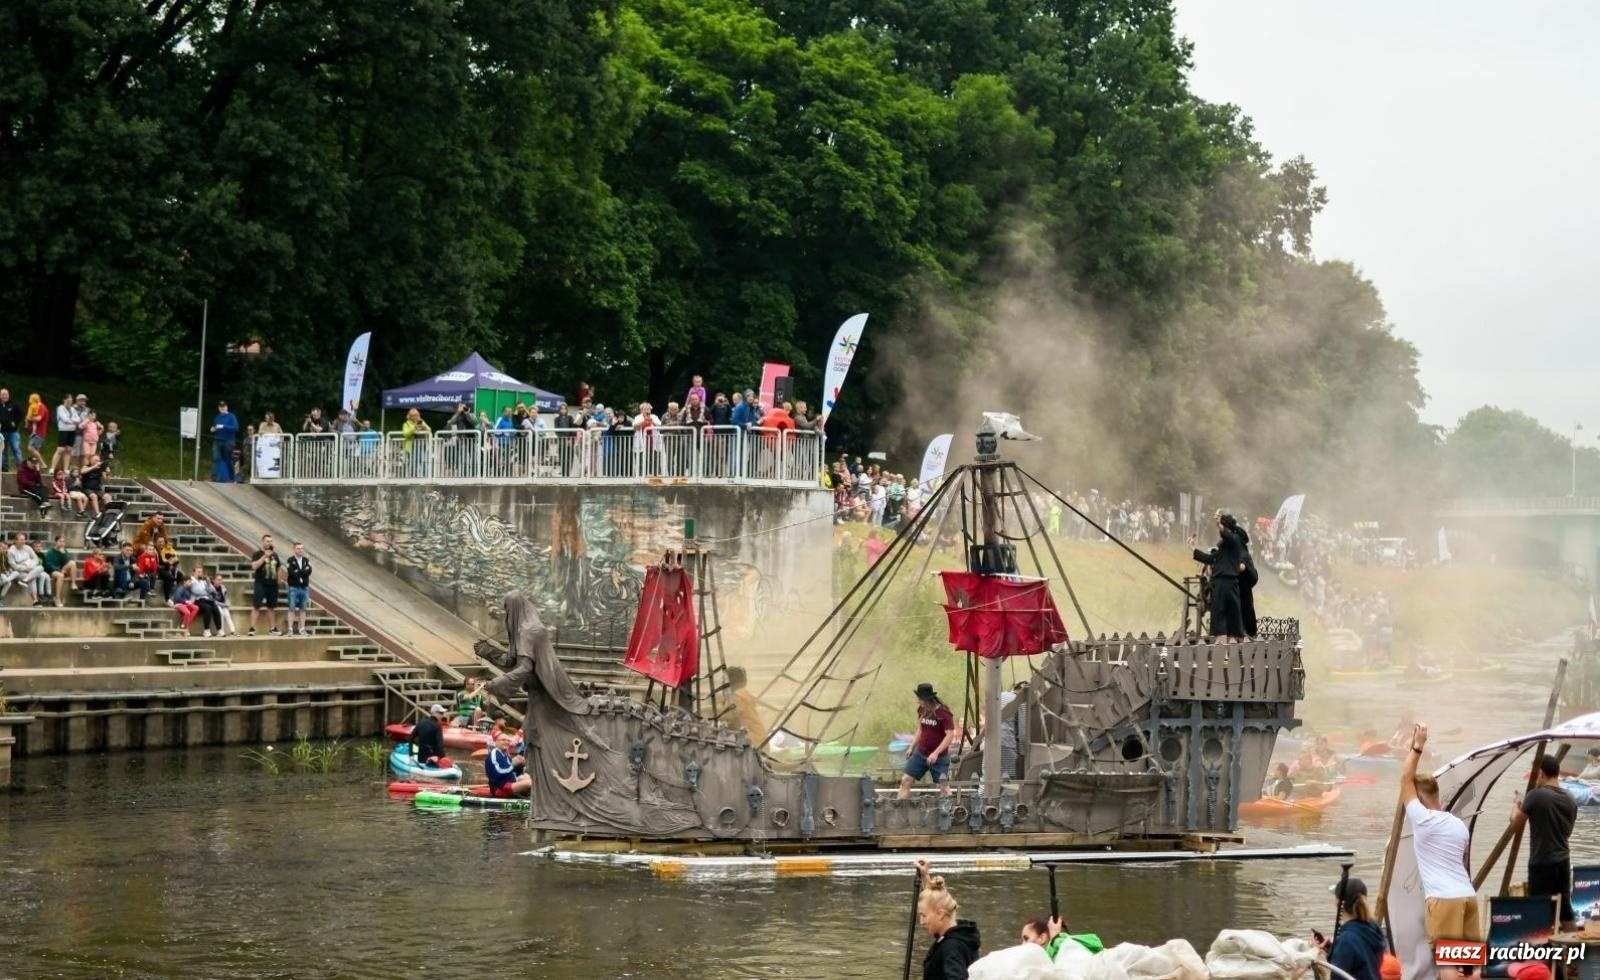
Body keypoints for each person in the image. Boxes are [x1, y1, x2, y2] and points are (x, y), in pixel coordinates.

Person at [1400, 723, 1481, 944]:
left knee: (1447, 961)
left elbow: (1405, 780)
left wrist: (1418, 747)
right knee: (1470, 964)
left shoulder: (1423, 818)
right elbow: (1462, 863)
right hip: (1468, 896)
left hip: (1444, 900)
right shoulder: (1459, 825)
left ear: (1421, 798)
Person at [1510, 754, 1578, 930]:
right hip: (1563, 861)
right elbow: (1567, 833)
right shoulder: (1571, 799)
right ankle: (1576, 954)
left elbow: (1515, 824)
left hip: (1541, 863)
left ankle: (1542, 954)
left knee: (1538, 913)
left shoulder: (1535, 796)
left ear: (1540, 773)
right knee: (1565, 913)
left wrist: (1516, 804)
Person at [914, 859, 981, 980]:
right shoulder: (960, 934)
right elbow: (934, 903)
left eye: (924, 915)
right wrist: (925, 877)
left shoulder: (952, 948)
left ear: (940, 914)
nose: (922, 921)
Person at [1193, 511, 1248, 642]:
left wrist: (1220, 525)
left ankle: (1223, 655)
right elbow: (1210, 559)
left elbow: (1227, 535)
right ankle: (1226, 654)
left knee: (1221, 622)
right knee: (1227, 623)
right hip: (1226, 584)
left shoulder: (1234, 540)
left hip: (1224, 584)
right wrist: (1193, 548)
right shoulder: (1225, 548)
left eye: (1223, 526)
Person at [1316, 876, 1385, 980]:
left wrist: (1321, 965)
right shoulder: (1373, 928)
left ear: (1338, 904)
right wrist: (1332, 949)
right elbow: (1361, 958)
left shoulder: (1346, 940)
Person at [899, 683, 956, 800]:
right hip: (921, 753)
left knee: (944, 786)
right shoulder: (922, 710)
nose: (918, 701)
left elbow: (949, 735)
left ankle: (951, 811)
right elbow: (921, 728)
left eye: (919, 699)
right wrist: (912, 747)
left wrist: (935, 753)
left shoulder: (943, 714)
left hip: (939, 757)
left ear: (926, 699)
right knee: (906, 780)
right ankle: (899, 809)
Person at [249, 534, 283, 636]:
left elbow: (279, 567)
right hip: (261, 583)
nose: (269, 543)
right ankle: (252, 628)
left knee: (271, 607)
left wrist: (279, 580)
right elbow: (254, 566)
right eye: (267, 541)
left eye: (271, 541)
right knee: (256, 606)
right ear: (263, 542)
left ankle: (272, 628)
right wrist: (265, 556)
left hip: (272, 584)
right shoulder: (257, 554)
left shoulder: (275, 555)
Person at [1, 532, 44, 605]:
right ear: (16, 541)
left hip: (30, 569)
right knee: (32, 578)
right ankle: (35, 600)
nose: (23, 541)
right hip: (19, 572)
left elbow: (35, 559)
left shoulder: (28, 548)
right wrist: (25, 568)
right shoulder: (11, 551)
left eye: (24, 540)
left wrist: (31, 567)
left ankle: (26, 579)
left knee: (40, 568)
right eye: (21, 540)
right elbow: (13, 565)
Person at [485, 731, 531, 798]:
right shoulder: (494, 754)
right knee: (530, 783)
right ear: (496, 742)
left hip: (509, 783)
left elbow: (512, 772)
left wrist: (521, 764)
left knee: (527, 776)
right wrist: (513, 764)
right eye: (503, 740)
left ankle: (528, 794)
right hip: (500, 787)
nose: (506, 742)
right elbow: (499, 772)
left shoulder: (505, 755)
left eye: (508, 741)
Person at [284, 542, 312, 637]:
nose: (300, 550)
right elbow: (291, 572)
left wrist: (299, 571)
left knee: (303, 609)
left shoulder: (305, 560)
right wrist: (303, 571)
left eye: (301, 548)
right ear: (294, 550)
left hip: (304, 587)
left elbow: (309, 571)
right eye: (298, 548)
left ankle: (302, 628)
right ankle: (290, 629)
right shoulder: (290, 560)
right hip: (294, 587)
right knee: (292, 607)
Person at [410, 704, 450, 768]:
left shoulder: (421, 723)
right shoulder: (437, 726)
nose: (442, 715)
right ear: (435, 713)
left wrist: (411, 754)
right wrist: (444, 758)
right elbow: (440, 746)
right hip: (433, 762)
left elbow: (410, 738)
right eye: (441, 713)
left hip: (421, 760)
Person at [188, 565, 222, 637]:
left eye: (201, 572)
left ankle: (219, 630)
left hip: (206, 599)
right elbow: (197, 591)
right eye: (198, 572)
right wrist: (207, 591)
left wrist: (209, 583)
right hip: (196, 600)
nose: (200, 573)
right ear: (194, 573)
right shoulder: (191, 580)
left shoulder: (203, 581)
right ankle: (206, 630)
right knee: (208, 608)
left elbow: (213, 590)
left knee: (215, 607)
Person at [42, 535, 76, 608]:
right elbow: (48, 565)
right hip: (53, 571)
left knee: (72, 563)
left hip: (62, 569)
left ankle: (73, 583)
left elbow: (67, 561)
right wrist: (59, 570)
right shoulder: (50, 552)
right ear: (56, 542)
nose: (62, 543)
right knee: (61, 575)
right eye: (60, 541)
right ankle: (57, 598)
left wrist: (63, 554)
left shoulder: (64, 551)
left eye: (63, 542)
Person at [211, 401, 239, 482]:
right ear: (219, 408)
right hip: (217, 440)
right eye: (221, 407)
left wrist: (223, 426)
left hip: (228, 441)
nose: (222, 408)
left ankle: (232, 477)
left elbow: (235, 428)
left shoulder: (231, 416)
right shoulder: (217, 417)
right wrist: (213, 429)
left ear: (227, 407)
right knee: (215, 458)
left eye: (224, 406)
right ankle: (214, 477)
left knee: (228, 459)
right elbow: (214, 427)